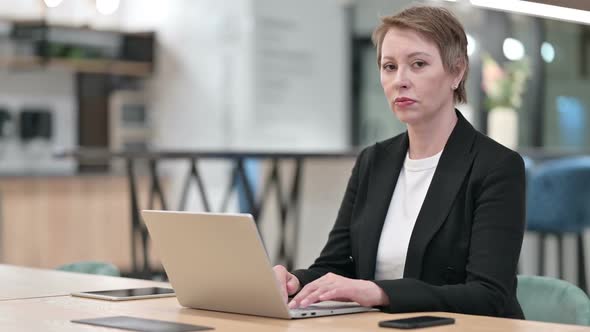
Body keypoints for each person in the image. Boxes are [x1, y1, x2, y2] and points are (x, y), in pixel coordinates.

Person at [273, 5, 525, 318]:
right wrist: (295, 281)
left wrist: (379, 291)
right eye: (389, 66)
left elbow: (488, 296)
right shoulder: (373, 160)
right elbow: (335, 266)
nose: (400, 80)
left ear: (457, 71)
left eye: (418, 64)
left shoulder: (496, 166)